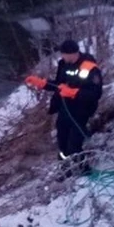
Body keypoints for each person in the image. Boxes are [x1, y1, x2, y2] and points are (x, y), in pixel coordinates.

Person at [25, 40, 103, 178]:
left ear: (73, 53)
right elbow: (58, 85)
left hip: (80, 111)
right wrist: (41, 83)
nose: (63, 58)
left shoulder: (90, 68)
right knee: (62, 142)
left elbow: (95, 93)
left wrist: (74, 93)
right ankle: (65, 169)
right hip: (64, 109)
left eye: (65, 55)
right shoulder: (63, 64)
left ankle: (84, 172)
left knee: (74, 145)